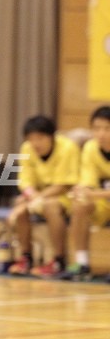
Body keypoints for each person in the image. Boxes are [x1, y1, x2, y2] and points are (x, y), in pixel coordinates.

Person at [6, 116, 79, 277]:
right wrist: (31, 197)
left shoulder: (68, 148)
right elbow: (25, 182)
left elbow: (63, 185)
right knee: (20, 204)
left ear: (52, 136)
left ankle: (59, 260)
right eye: (31, 139)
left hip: (66, 196)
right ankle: (26, 257)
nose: (35, 143)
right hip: (38, 196)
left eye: (40, 138)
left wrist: (37, 198)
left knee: (50, 206)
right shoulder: (26, 148)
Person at [62, 106, 110, 282]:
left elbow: (94, 193)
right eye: (97, 128)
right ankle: (82, 264)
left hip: (102, 198)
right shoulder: (90, 148)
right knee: (79, 205)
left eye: (107, 128)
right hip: (103, 205)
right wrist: (81, 191)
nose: (101, 134)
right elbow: (88, 183)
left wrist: (93, 194)